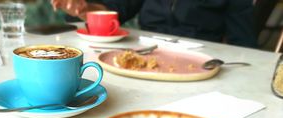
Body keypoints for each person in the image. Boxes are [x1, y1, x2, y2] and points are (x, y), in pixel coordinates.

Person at [50, 0, 258, 48]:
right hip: (145, 51)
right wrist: (82, 8)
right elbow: (115, 11)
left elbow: (244, 42)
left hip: (202, 56)